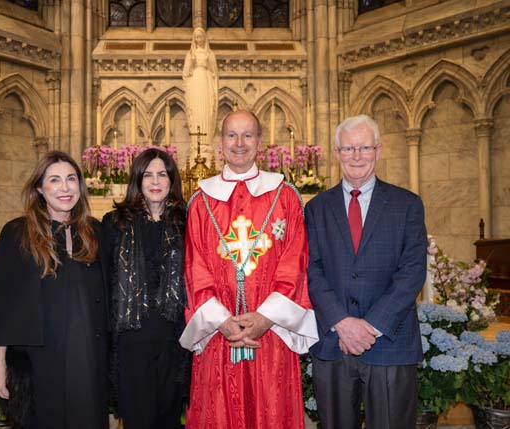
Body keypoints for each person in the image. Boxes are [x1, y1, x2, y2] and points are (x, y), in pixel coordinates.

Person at [180, 110, 319, 428]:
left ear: (260, 142)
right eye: (231, 135)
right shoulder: (201, 202)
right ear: (220, 143)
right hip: (220, 336)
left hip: (270, 335)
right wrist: (223, 322)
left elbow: (295, 262)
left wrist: (265, 318)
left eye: (247, 135)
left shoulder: (285, 197)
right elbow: (194, 267)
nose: (239, 143)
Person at [304, 114, 427, 429]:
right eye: (348, 149)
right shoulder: (316, 208)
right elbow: (311, 269)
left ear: (378, 150)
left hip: (390, 341)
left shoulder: (407, 205)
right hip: (333, 343)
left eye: (364, 148)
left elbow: (412, 272)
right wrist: (343, 324)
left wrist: (370, 326)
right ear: (336, 153)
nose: (356, 156)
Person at [0, 151, 109, 429]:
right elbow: (4, 303)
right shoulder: (18, 232)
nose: (65, 188)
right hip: (39, 358)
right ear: (40, 188)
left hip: (89, 356)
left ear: (80, 185)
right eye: (55, 180)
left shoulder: (96, 232)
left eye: (71, 179)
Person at [101, 148, 189, 429]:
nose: (155, 181)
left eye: (162, 174)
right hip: (131, 342)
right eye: (147, 174)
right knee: (138, 419)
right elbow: (103, 283)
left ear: (172, 180)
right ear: (137, 180)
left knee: (170, 418)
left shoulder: (186, 223)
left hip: (173, 340)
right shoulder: (115, 224)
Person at [183, 27, 218, 159]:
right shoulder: (190, 54)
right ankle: (195, 145)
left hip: (205, 83)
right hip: (195, 84)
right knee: (196, 111)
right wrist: (191, 64)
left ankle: (206, 144)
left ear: (204, 38)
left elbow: (214, 73)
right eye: (196, 37)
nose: (198, 39)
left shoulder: (210, 54)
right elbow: (185, 74)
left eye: (200, 36)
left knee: (206, 112)